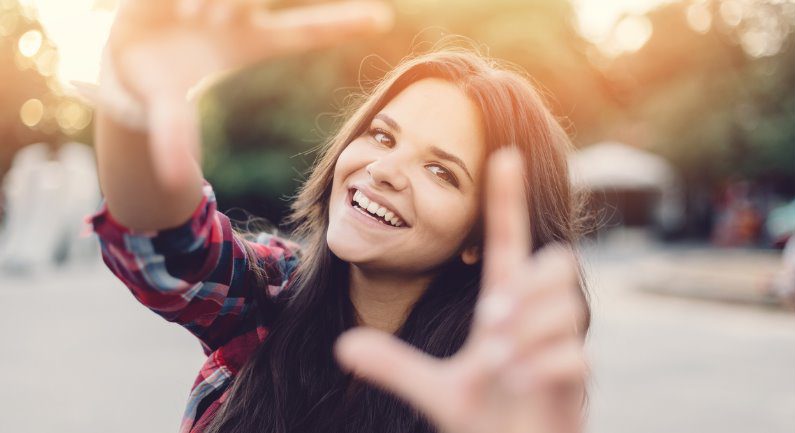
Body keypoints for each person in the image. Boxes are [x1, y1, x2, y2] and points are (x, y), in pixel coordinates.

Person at [86, 1, 591, 432]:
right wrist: (132, 93)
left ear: (479, 239)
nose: (385, 168)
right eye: (383, 136)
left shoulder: (487, 388)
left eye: (440, 171)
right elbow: (164, 242)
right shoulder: (269, 295)